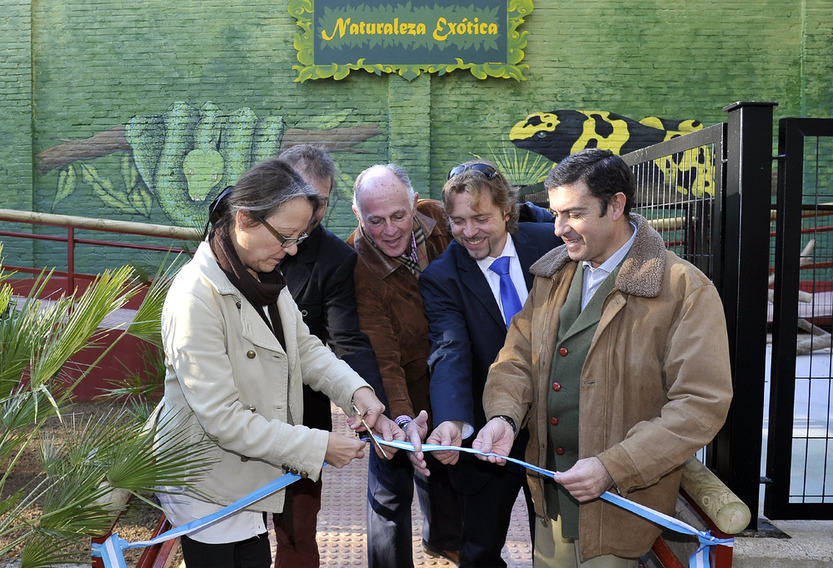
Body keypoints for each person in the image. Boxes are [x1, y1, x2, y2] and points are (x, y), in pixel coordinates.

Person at [473, 148, 733, 567]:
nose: (559, 229)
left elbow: (700, 404)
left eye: (573, 214)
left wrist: (614, 467)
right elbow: (515, 359)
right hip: (550, 502)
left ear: (616, 205)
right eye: (555, 213)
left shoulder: (683, 288)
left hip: (620, 511)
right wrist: (504, 417)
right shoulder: (552, 275)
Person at [154, 158, 401, 568]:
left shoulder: (261, 277)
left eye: (299, 238)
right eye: (285, 236)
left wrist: (357, 392)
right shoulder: (196, 296)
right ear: (245, 219)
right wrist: (319, 446)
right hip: (207, 485)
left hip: (247, 481)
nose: (291, 250)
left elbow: (305, 348)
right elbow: (224, 421)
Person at [409, 161, 561, 567]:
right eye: (458, 221)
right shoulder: (442, 277)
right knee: (478, 549)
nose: (469, 232)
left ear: (506, 212)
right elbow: (449, 348)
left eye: (481, 218)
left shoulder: (552, 245)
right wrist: (454, 420)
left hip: (554, 428)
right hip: (486, 437)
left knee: (555, 548)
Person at [274, 145, 386, 568]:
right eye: (304, 197)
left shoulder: (337, 259)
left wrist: (369, 400)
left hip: (302, 410)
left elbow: (345, 341)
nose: (313, 210)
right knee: (234, 533)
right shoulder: (239, 243)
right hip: (235, 412)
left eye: (321, 201)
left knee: (297, 535)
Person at [347, 163, 462, 567]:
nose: (391, 229)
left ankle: (444, 538)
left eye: (399, 215)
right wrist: (399, 417)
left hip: (447, 370)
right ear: (359, 216)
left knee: (444, 463)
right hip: (395, 380)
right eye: (375, 220)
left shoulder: (440, 222)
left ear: (414, 204)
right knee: (392, 477)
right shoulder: (357, 266)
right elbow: (383, 353)